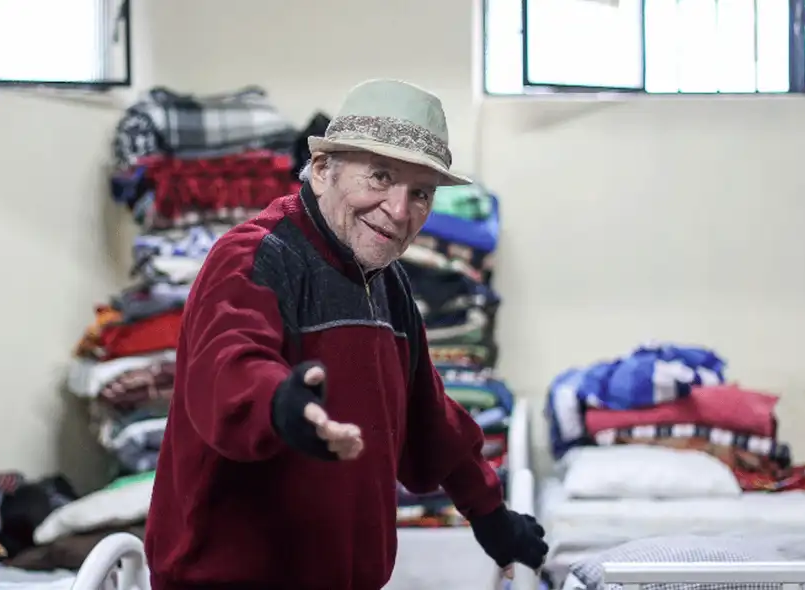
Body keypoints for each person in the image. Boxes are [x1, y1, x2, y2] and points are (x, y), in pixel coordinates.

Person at [144, 79, 548, 590]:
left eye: (420, 193)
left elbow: (431, 416)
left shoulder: (387, 282)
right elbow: (229, 363)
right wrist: (281, 405)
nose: (399, 211)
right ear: (320, 170)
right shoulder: (256, 255)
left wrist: (490, 514)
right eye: (380, 177)